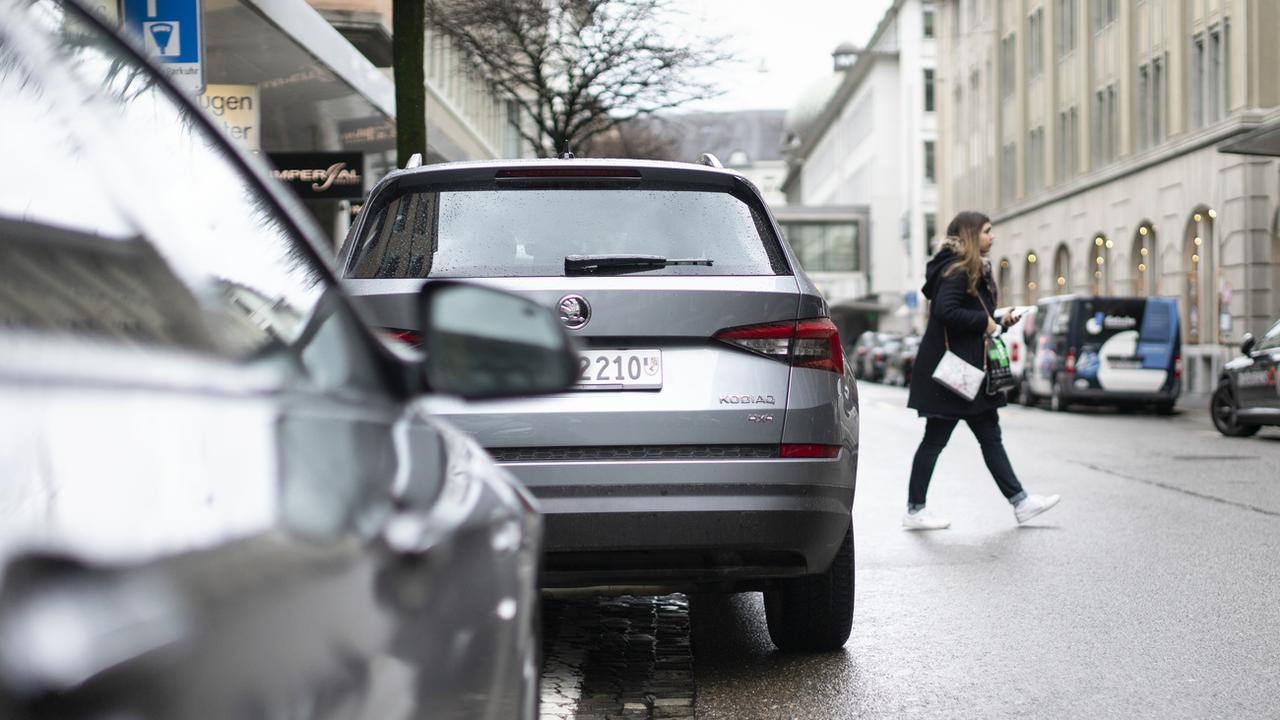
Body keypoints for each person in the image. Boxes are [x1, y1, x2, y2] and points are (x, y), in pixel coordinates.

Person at [903, 211, 1060, 530]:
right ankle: (916, 510)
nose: (993, 237)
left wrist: (999, 321)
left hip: (962, 374)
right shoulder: (956, 270)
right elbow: (947, 312)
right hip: (954, 376)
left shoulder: (964, 268)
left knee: (984, 436)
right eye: (987, 231)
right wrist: (985, 322)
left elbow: (966, 316)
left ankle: (1019, 502)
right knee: (939, 440)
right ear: (972, 235)